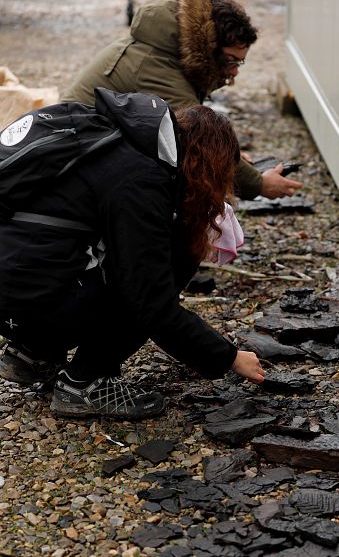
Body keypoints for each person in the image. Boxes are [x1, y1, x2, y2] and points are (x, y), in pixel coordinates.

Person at [0, 89, 265, 419]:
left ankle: (31, 353)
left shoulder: (115, 137)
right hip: (30, 296)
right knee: (175, 253)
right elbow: (151, 302)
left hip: (12, 289)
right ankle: (85, 383)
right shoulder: (141, 181)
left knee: (95, 251)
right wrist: (228, 356)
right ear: (203, 163)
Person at [62, 0, 302, 201]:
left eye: (239, 63)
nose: (235, 72)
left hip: (92, 148)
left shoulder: (167, 48)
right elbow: (200, 138)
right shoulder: (156, 67)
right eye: (230, 61)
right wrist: (259, 183)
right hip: (73, 165)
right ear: (208, 47)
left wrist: (233, 160)